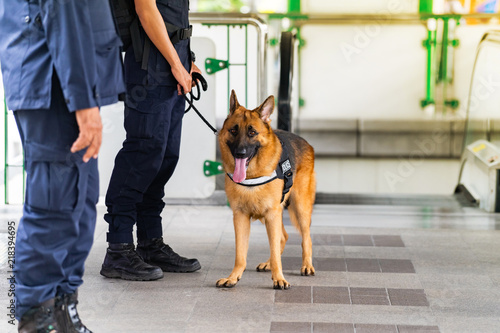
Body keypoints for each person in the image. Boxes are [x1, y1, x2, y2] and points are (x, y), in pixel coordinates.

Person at [0, 0, 125, 332]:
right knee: (54, 207)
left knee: (80, 206)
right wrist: (83, 101)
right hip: (54, 82)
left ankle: (61, 310)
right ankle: (35, 318)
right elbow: (63, 10)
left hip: (64, 80)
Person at [100, 0, 201, 281]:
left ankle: (150, 243)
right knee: (142, 154)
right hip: (149, 67)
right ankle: (118, 249)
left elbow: (173, 16)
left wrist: (186, 61)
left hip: (171, 64)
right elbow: (146, 11)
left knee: (165, 157)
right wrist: (175, 64)